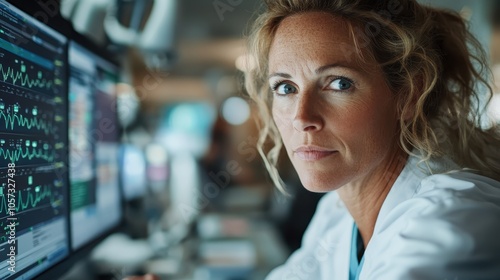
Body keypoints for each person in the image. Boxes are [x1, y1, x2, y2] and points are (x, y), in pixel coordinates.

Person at [127, 0, 500, 279]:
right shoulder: (339, 210)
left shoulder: (452, 220)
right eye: (285, 87)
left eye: (339, 83)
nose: (302, 117)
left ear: (408, 96)